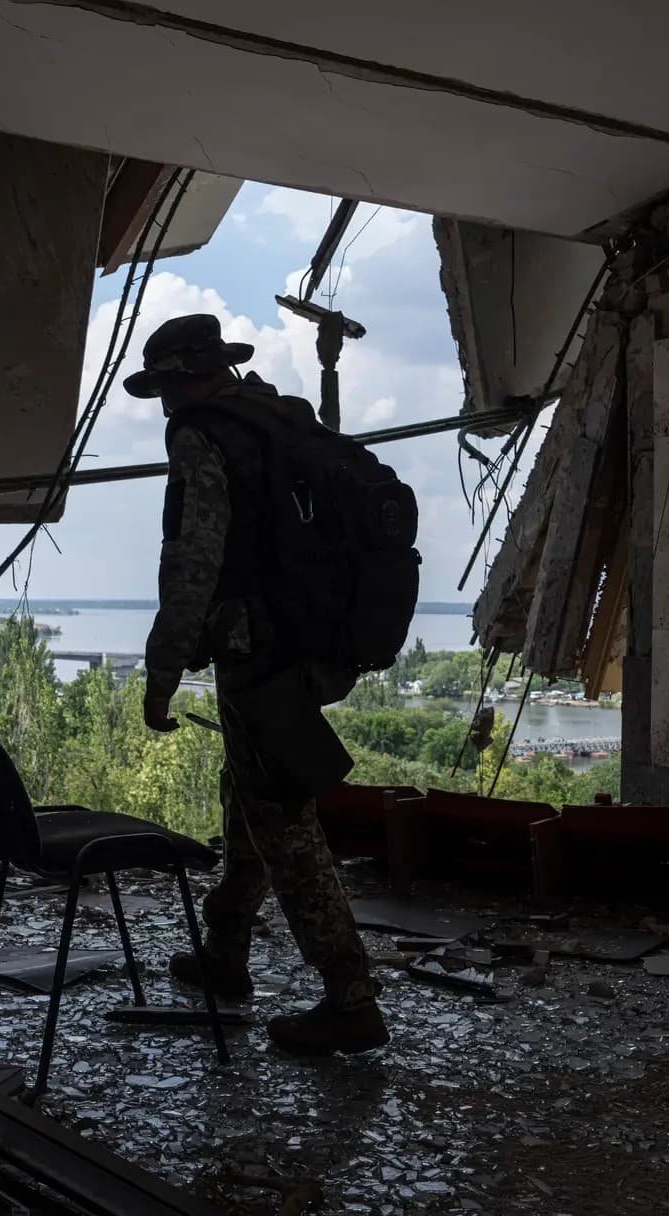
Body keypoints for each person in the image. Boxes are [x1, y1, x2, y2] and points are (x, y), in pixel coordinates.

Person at [123, 313, 388, 1056]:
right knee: (249, 795)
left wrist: (162, 671)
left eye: (166, 391)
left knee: (283, 821)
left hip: (260, 654)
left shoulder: (202, 436)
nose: (167, 406)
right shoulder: (277, 417)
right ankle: (226, 950)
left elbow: (192, 563)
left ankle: (350, 996)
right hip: (311, 643)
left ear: (178, 381)